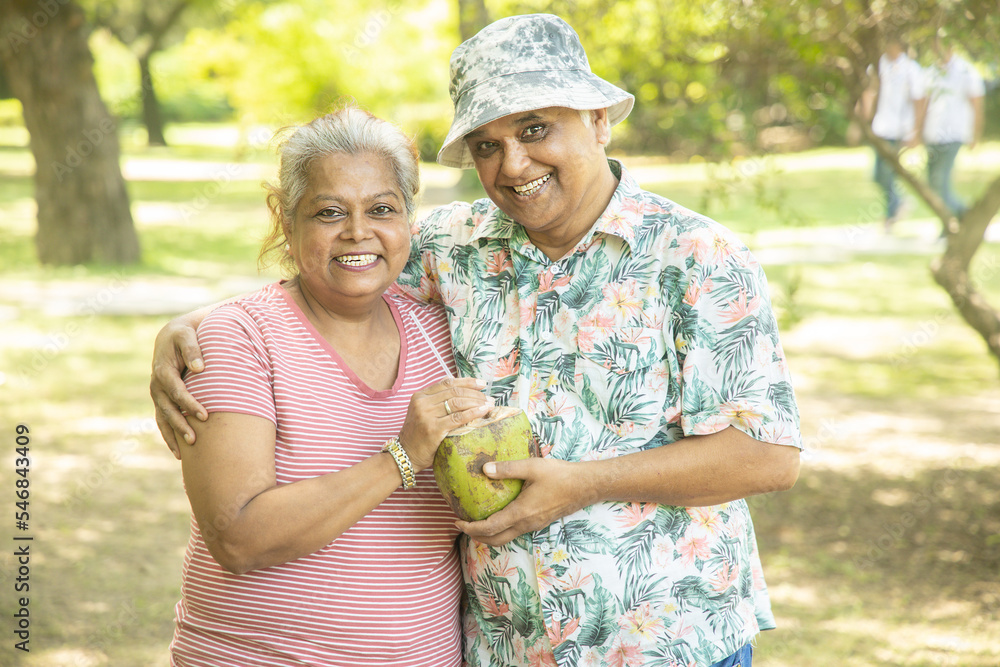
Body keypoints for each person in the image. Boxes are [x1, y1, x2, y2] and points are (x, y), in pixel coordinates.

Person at [152, 15, 802, 667]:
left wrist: (580, 482)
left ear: (599, 119)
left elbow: (767, 455)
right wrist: (190, 327)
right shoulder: (452, 246)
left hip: (666, 640)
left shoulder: (699, 257)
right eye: (487, 144)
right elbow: (336, 261)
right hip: (507, 646)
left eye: (534, 129)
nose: (513, 164)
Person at [165, 106, 494, 666]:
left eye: (382, 209)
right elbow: (237, 537)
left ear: (409, 221)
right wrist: (401, 457)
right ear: (286, 220)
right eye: (329, 211)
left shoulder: (443, 332)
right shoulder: (237, 338)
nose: (358, 232)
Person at [862, 34, 927, 232]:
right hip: (881, 127)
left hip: (900, 129)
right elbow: (870, 93)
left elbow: (919, 100)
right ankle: (899, 202)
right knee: (877, 175)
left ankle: (891, 214)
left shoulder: (911, 69)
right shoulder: (878, 66)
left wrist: (916, 131)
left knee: (887, 172)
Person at [920, 32, 985, 226]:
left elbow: (977, 106)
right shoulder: (930, 72)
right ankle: (951, 220)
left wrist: (976, 134)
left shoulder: (967, 72)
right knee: (932, 185)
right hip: (932, 135)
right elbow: (925, 104)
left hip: (954, 134)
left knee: (941, 181)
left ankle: (962, 214)